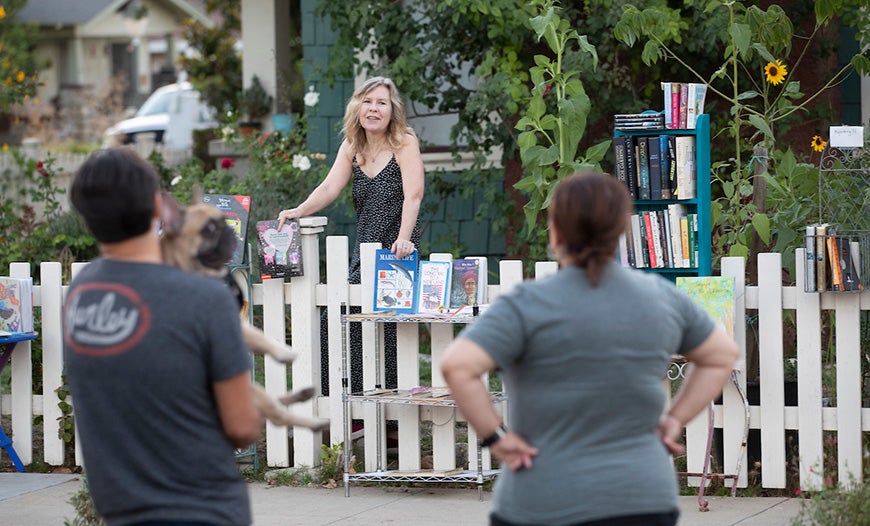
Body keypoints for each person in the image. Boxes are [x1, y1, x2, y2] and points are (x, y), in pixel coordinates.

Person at [441, 171, 739, 526]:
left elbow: (458, 366)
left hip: (541, 501)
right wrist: (675, 420)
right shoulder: (662, 298)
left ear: (555, 231)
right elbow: (721, 356)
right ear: (621, 230)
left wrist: (497, 437)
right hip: (642, 499)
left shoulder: (526, 303)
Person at [63, 147, 262, 526]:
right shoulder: (205, 296)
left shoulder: (81, 293)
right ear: (159, 207)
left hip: (122, 508)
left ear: (87, 221)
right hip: (203, 509)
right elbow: (242, 427)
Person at [277, 76, 424, 394]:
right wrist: (298, 211)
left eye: (381, 102)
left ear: (392, 110)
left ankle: (392, 414)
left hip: (398, 247)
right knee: (338, 317)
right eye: (368, 101)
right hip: (365, 248)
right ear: (358, 107)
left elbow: (413, 196)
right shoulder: (352, 146)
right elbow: (329, 186)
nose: (374, 108)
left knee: (389, 331)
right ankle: (348, 402)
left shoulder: (404, 142)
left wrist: (403, 239)